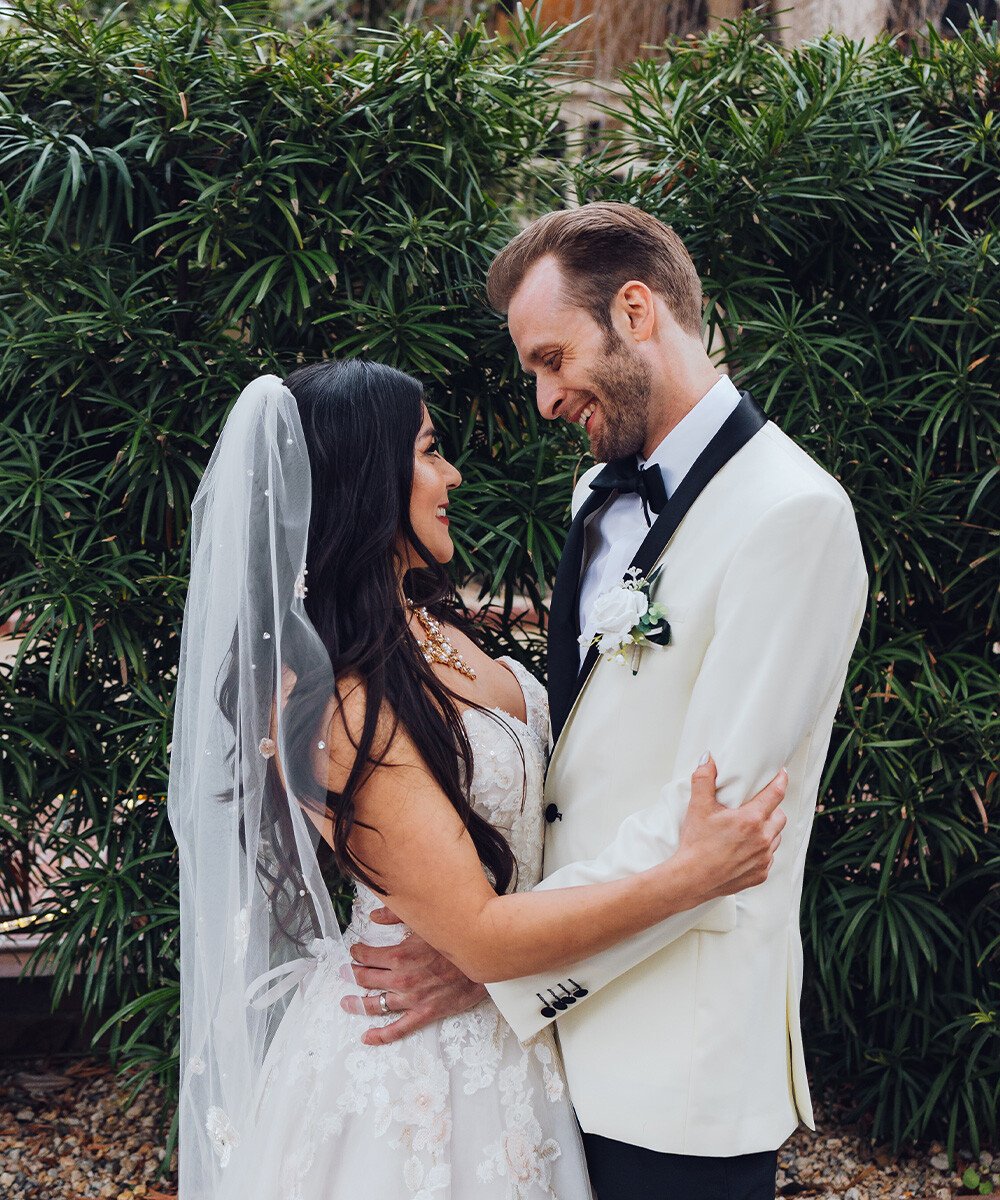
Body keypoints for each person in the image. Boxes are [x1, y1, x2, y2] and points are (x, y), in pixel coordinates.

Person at [167, 360, 787, 1199]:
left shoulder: (429, 624)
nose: (452, 473)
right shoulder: (342, 707)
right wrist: (688, 876)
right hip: (415, 1081)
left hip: (511, 1043)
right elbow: (484, 936)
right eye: (430, 451)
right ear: (365, 480)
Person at [347, 204, 869, 1200]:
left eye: (551, 359)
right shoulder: (596, 498)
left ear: (635, 311)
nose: (543, 399)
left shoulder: (793, 517)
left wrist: (491, 958)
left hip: (676, 1062)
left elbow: (712, 824)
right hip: (543, 1064)